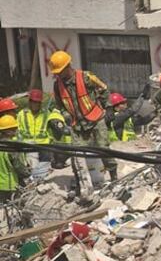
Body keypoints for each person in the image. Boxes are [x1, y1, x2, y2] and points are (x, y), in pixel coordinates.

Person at [49, 50, 117, 197]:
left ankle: (114, 178)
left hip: (96, 118)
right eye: (57, 72)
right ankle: (81, 183)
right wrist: (66, 115)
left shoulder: (86, 77)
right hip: (77, 124)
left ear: (68, 66)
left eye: (60, 71)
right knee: (76, 155)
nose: (59, 74)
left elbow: (103, 89)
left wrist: (109, 107)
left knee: (103, 148)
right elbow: (60, 104)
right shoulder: (57, 86)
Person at [16, 89, 64, 178]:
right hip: (29, 146)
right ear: (30, 102)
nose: (35, 104)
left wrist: (51, 140)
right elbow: (17, 131)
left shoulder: (47, 113)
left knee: (45, 170)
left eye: (37, 102)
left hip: (44, 145)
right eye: (34, 102)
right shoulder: (21, 114)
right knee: (34, 169)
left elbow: (51, 130)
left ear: (40, 103)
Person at [0, 116, 30, 200]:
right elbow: (18, 167)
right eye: (14, 128)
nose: (16, 130)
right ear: (8, 131)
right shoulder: (11, 148)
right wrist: (28, 174)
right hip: (9, 186)